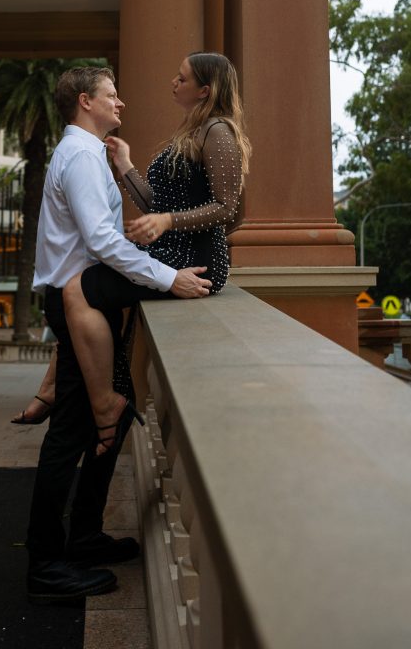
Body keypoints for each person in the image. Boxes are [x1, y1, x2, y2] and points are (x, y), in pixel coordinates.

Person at [25, 65, 212, 603]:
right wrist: (167, 276)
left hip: (88, 303)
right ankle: (44, 564)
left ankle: (82, 538)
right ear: (86, 101)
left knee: (98, 421)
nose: (121, 102)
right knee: (71, 434)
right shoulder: (81, 156)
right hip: (76, 305)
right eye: (111, 95)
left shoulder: (88, 153)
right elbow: (104, 242)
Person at [56, 52, 250, 453]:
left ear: (204, 90)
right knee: (87, 293)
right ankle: (87, 396)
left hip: (195, 263)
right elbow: (156, 203)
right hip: (169, 256)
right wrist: (126, 166)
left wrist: (167, 223)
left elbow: (226, 208)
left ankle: (94, 401)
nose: (173, 83)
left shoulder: (218, 131)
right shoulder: (191, 130)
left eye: (182, 79)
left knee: (79, 289)